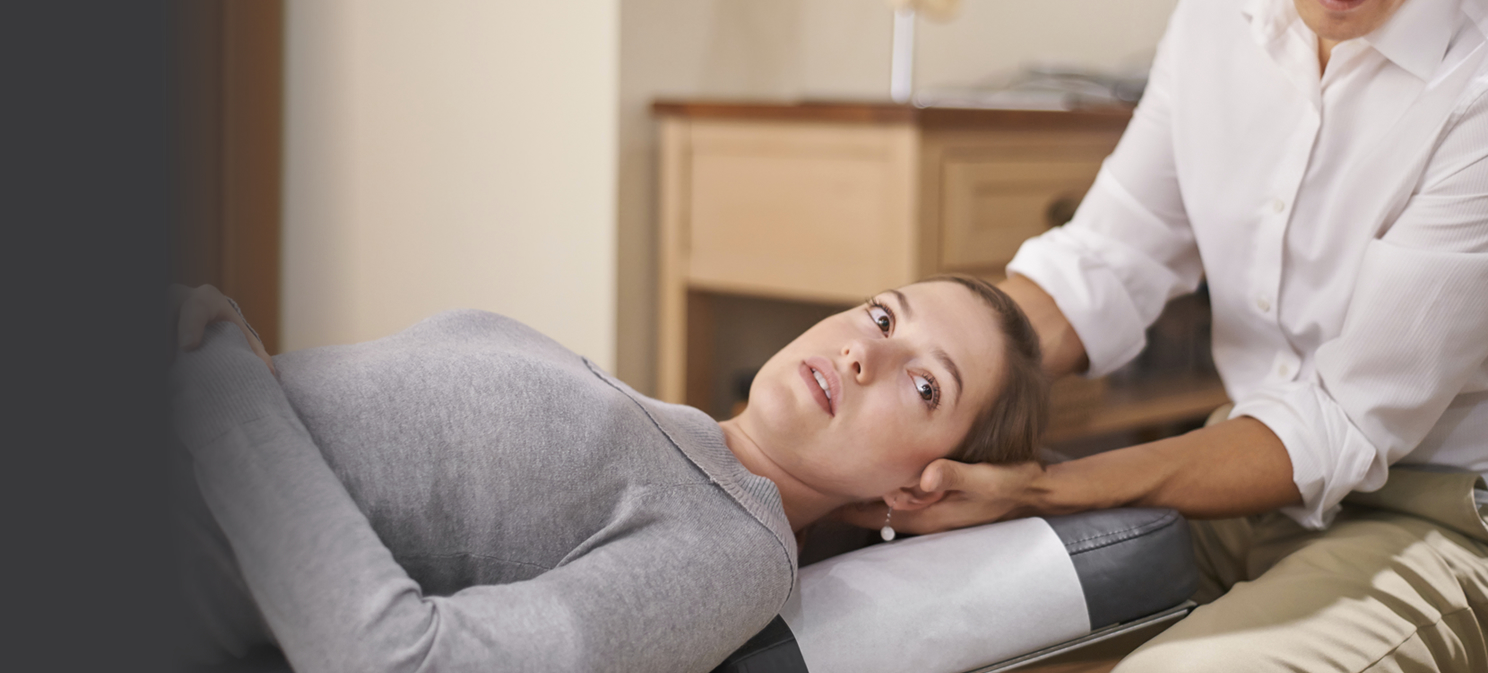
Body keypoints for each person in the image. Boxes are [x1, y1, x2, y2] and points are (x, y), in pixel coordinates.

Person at [857, 0, 1488, 671]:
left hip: (1461, 522)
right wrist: (888, 400)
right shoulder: (1217, 12)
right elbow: (1102, 262)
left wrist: (1038, 489)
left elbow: (1340, 421)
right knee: (869, 606)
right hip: (1247, 483)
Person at [169, 275, 1047, 673]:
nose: (864, 353)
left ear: (916, 487)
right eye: (884, 316)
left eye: (925, 386)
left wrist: (219, 387)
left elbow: (398, 662)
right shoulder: (667, 430)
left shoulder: (733, 553)